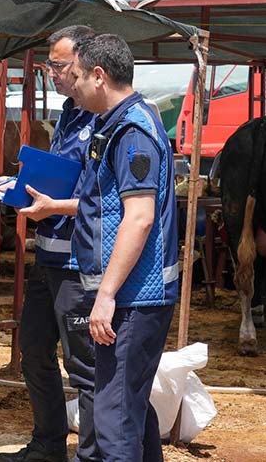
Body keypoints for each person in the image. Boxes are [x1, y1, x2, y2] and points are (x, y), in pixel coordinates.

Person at [0, 25, 101, 462]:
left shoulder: (103, 119)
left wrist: (54, 206)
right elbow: (61, 181)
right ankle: (48, 445)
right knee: (33, 348)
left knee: (85, 367)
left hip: (78, 263)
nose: (51, 73)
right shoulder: (70, 113)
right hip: (48, 256)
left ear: (85, 64)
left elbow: (100, 200)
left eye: (58, 65)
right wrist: (16, 187)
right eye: (49, 65)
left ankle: (91, 455)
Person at [69, 34, 178, 462]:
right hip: (133, 295)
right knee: (130, 410)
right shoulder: (119, 124)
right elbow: (110, 205)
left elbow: (139, 217)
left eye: (76, 76)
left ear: (99, 76)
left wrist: (107, 295)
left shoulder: (132, 133)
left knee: (114, 424)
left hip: (134, 297)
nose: (71, 86)